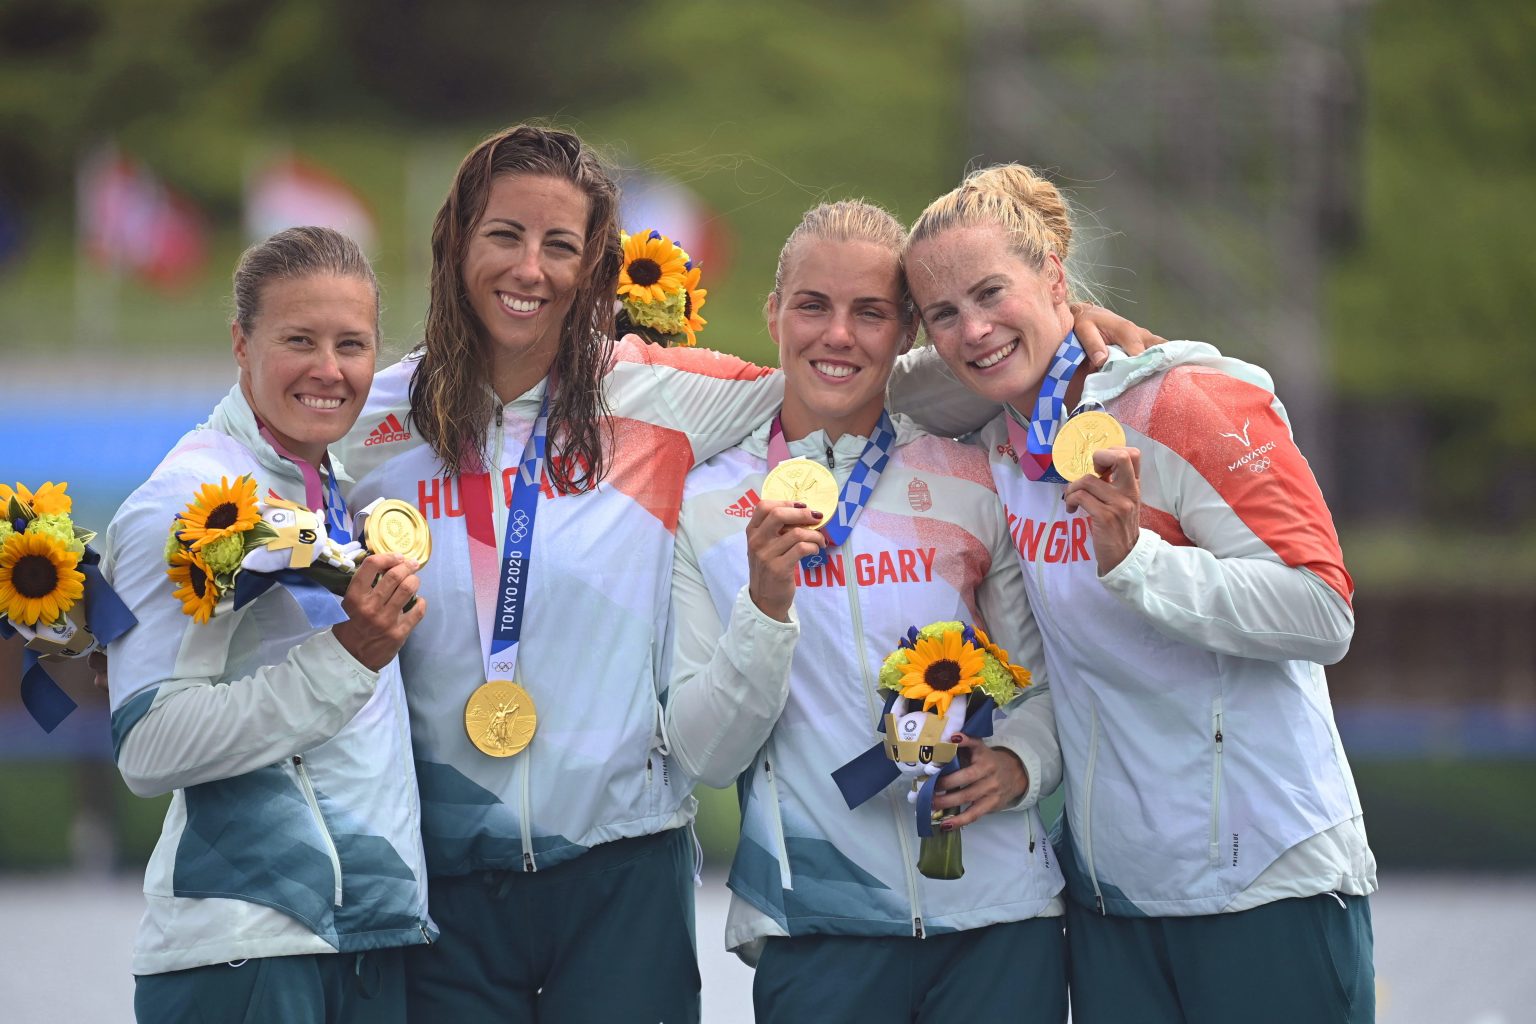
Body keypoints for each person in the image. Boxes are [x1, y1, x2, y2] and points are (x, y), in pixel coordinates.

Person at [339, 124, 1152, 1022]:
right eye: (505, 236)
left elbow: (862, 382)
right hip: (453, 869)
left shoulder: (660, 395)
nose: (531, 268)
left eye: (560, 245)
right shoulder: (374, 415)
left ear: (596, 266)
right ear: (456, 240)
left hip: (642, 873)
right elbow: (256, 426)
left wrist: (1061, 333)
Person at [902, 165, 1377, 1024]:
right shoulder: (999, 439)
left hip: (1266, 884)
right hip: (1115, 902)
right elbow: (878, 385)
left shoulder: (1188, 400)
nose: (971, 330)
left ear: (1054, 273)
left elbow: (1323, 608)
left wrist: (1139, 563)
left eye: (990, 292)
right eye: (942, 313)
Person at [666, 200, 1068, 1023]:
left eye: (871, 312)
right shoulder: (704, 505)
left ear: (908, 332)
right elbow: (704, 751)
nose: (838, 335)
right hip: (818, 928)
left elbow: (1045, 687)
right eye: (813, 305)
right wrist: (765, 609)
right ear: (774, 313)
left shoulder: (973, 478)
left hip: (999, 923)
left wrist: (1022, 762)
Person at [102, 227, 431, 1024]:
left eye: (352, 344)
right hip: (245, 952)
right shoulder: (190, 502)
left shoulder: (330, 490)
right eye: (299, 340)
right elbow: (147, 748)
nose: (329, 369)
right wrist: (350, 657)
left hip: (363, 943)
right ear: (241, 345)